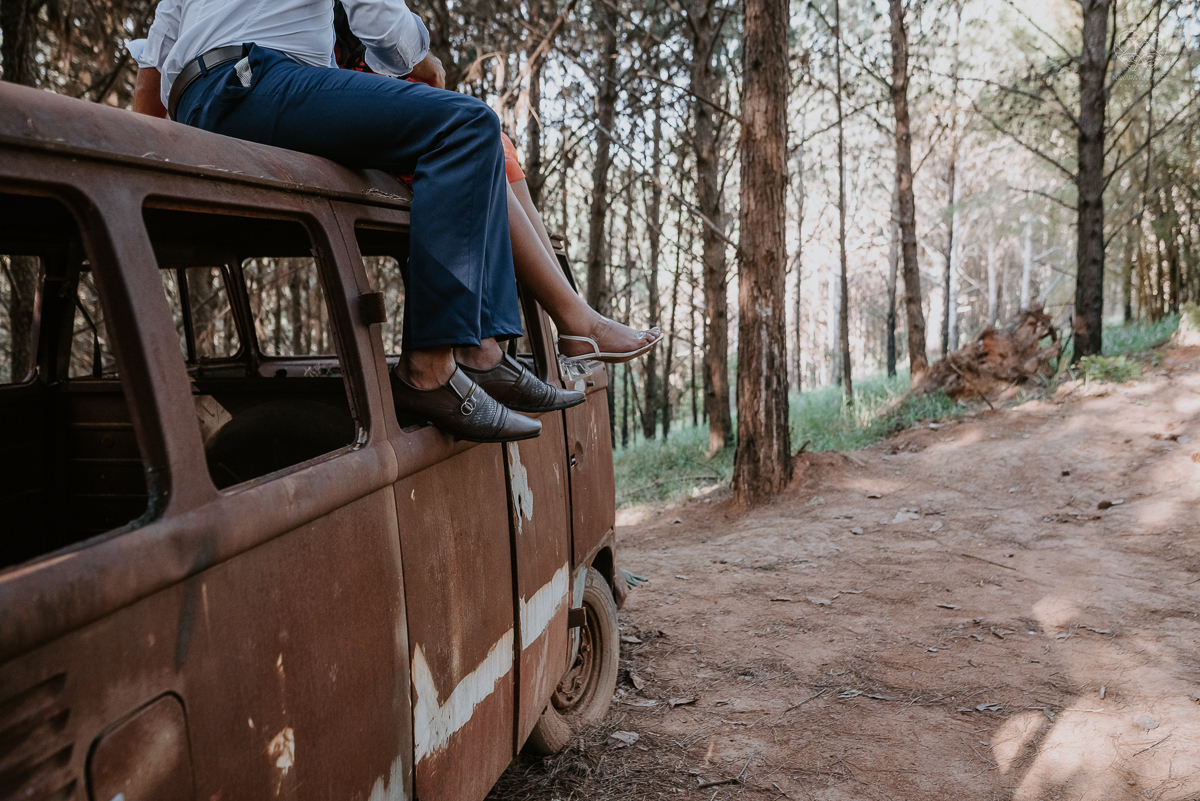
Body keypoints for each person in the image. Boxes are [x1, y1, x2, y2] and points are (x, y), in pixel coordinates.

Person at [129, 0, 583, 444]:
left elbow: (149, 92)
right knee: (467, 127)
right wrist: (423, 63)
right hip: (255, 81)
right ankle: (430, 368)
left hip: (200, 102)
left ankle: (482, 352)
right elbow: (376, 16)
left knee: (472, 140)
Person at [330, 9, 662, 363]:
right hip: (329, 83)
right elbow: (375, 17)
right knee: (471, 144)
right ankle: (548, 329)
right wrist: (419, 59)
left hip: (356, 72)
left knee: (496, 144)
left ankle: (570, 316)